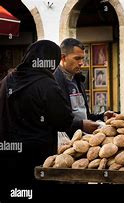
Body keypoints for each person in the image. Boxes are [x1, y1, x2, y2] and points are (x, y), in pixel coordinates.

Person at [0, 40, 74, 185]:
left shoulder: (7, 81)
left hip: (7, 158)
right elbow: (63, 121)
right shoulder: (47, 84)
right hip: (37, 160)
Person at [54, 38, 115, 135]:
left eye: (82, 58)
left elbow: (84, 116)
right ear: (63, 58)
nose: (81, 62)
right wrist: (81, 125)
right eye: (77, 58)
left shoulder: (78, 79)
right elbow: (56, 120)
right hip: (65, 142)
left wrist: (102, 117)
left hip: (84, 139)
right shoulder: (53, 82)